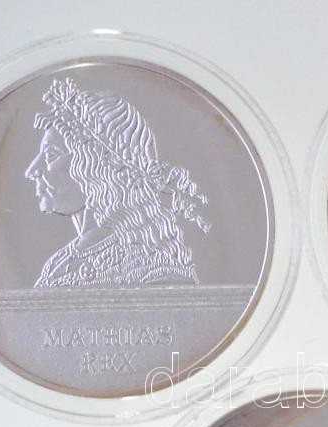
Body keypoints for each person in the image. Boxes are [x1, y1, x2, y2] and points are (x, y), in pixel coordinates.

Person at [25, 78, 210, 288]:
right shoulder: (58, 263)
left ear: (97, 167)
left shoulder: (155, 269)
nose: (31, 171)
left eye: (51, 155)